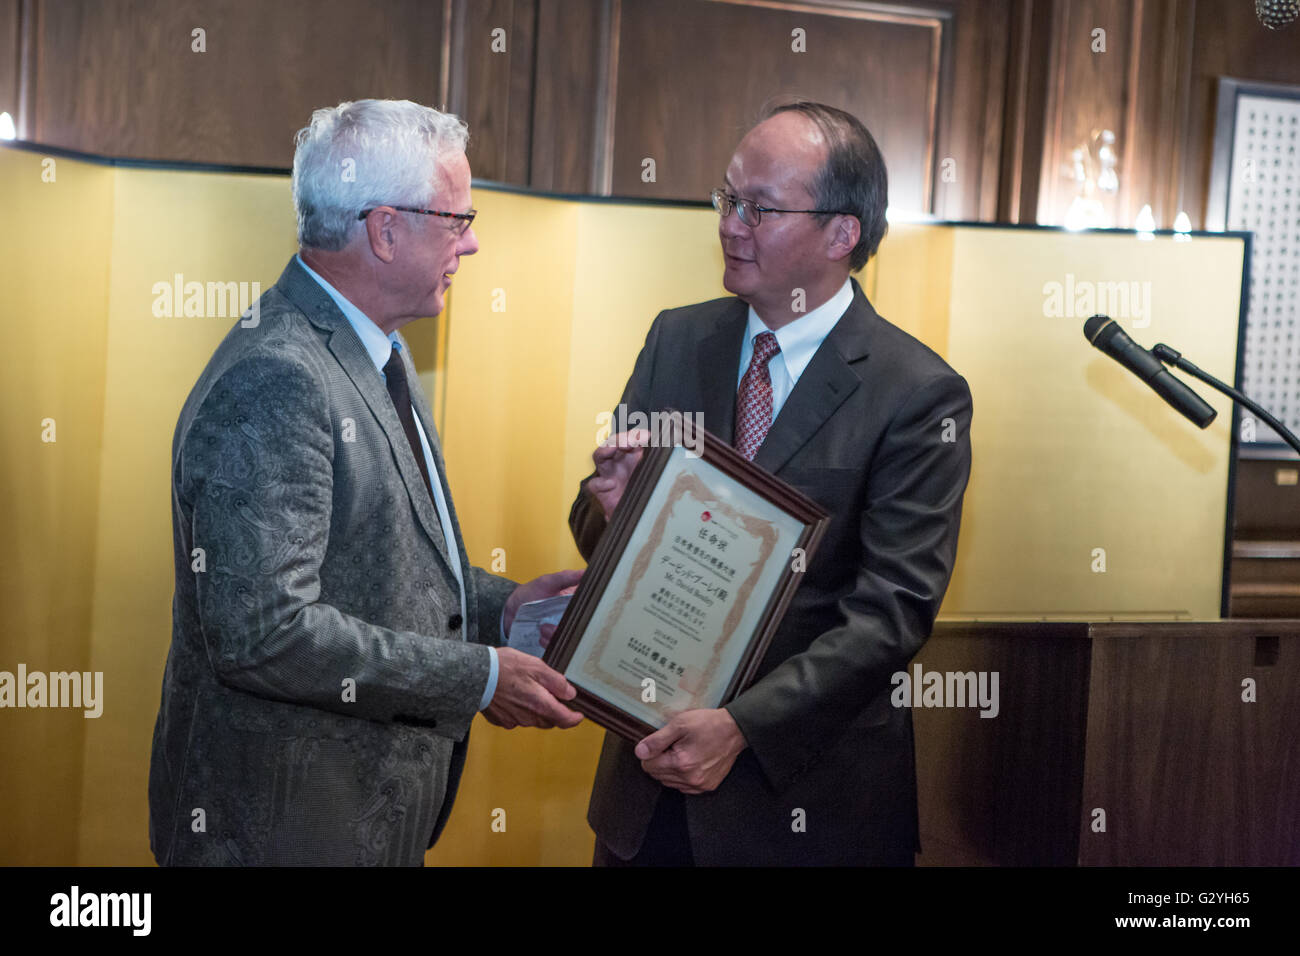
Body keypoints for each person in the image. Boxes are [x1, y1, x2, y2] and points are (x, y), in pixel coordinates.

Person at [149, 99, 582, 866]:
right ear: (385, 229)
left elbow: (378, 566)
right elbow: (264, 633)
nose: (473, 243)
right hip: (283, 838)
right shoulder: (279, 376)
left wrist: (502, 608)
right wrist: (480, 678)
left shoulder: (374, 346)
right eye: (458, 219)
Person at [568, 101, 973, 865]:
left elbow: (892, 613)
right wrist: (615, 513)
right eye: (726, 198)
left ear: (841, 233)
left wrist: (743, 726)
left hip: (808, 802)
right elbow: (596, 540)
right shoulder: (678, 339)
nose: (729, 223)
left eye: (760, 207)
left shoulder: (916, 392)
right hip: (649, 789)